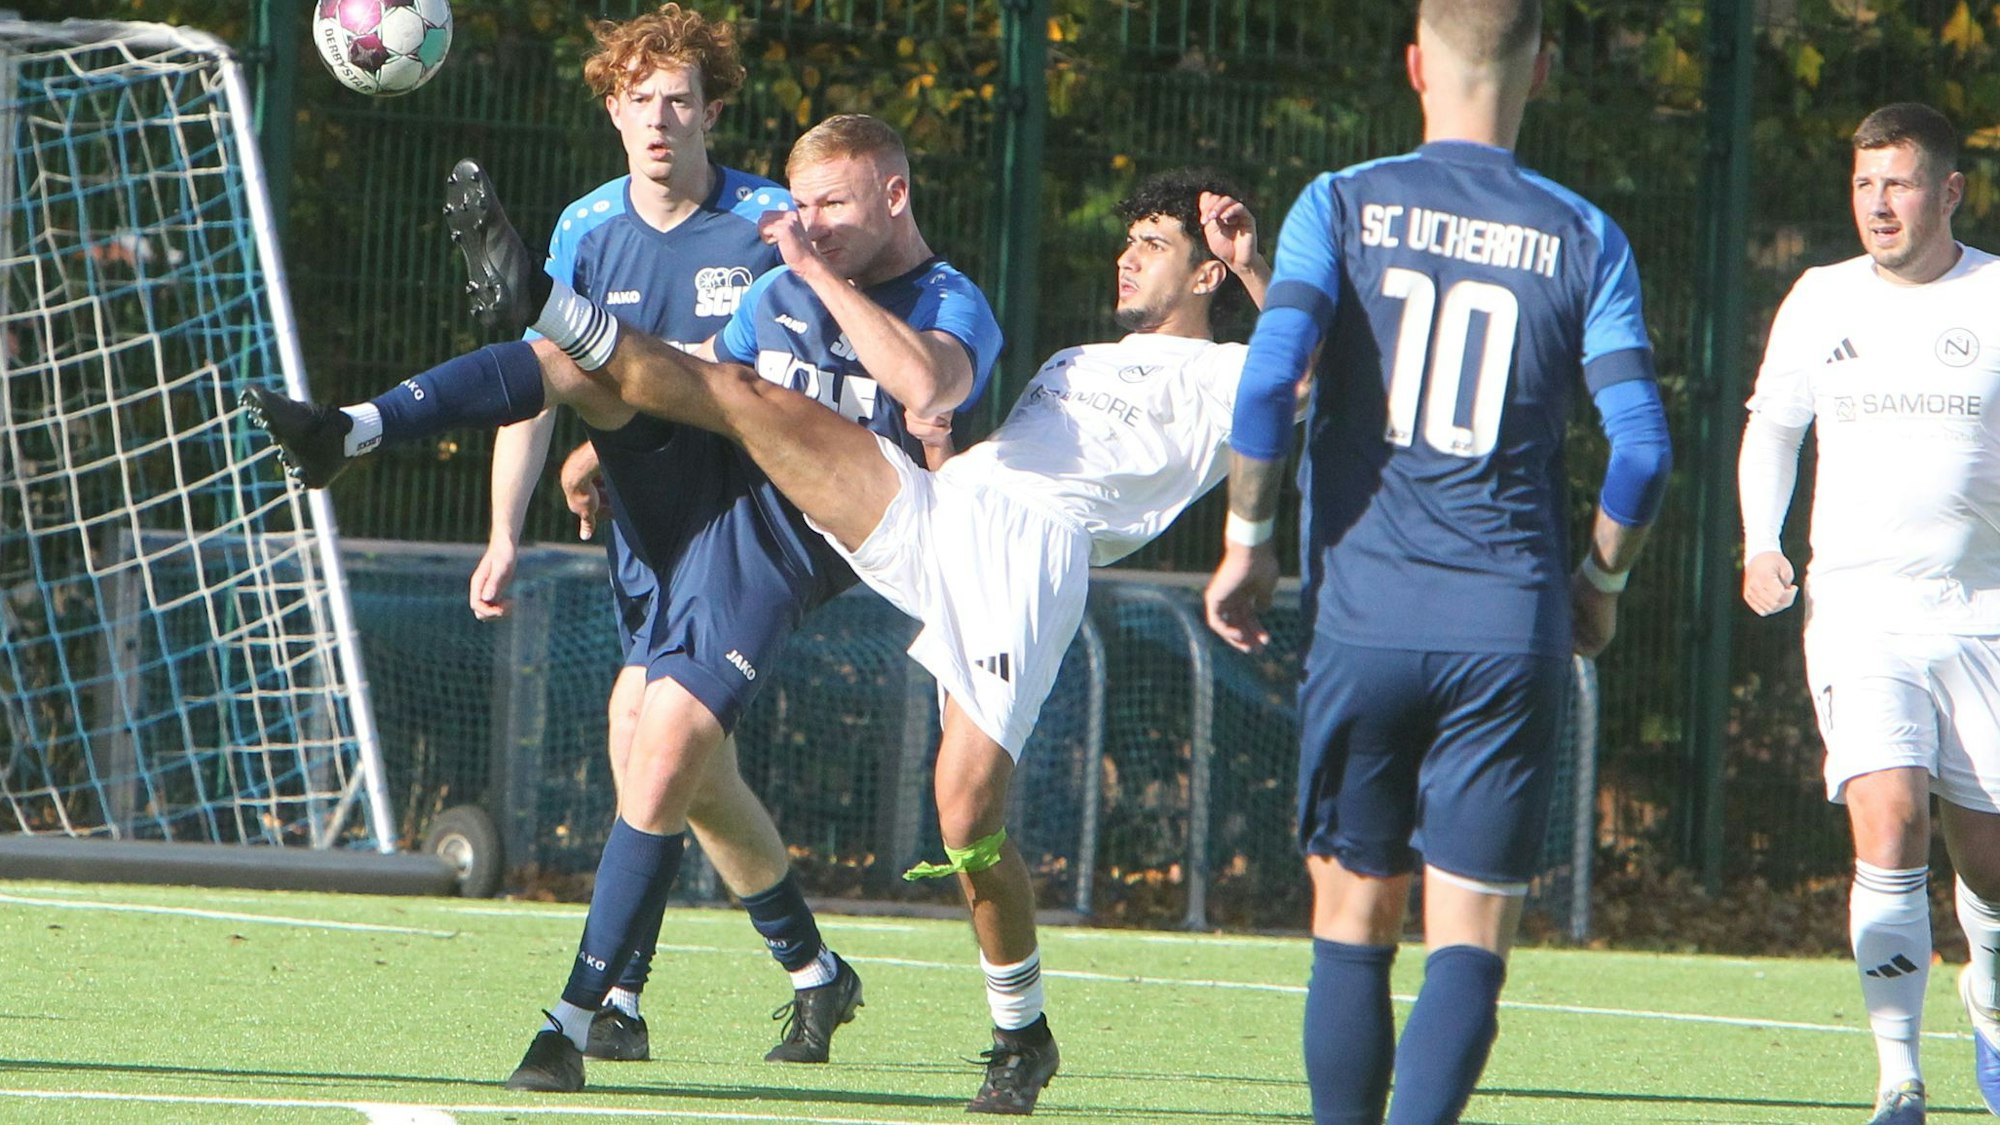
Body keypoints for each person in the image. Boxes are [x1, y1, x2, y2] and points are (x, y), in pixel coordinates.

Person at [429, 161, 1269, 1114]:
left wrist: (1255, 269)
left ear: (1205, 276)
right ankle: (553, 310)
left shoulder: (1236, 369)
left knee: (964, 818)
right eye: (1128, 242)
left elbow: (1303, 377)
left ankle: (1021, 1031)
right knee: (749, 393)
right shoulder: (1074, 359)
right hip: (942, 509)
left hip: (1026, 555)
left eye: (1154, 247)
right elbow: (947, 431)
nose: (1128, 260)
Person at [245, 112, 1001, 1092]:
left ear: (895, 197)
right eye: (798, 205)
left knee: (667, 740)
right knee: (580, 370)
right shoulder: (779, 291)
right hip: (704, 476)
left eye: (831, 207)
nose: (806, 226)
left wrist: (809, 273)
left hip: (789, 537)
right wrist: (606, 447)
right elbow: (692, 380)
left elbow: (926, 384)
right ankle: (353, 429)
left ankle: (579, 1017)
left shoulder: (946, 301)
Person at [1202, 3, 1673, 1123]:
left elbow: (1268, 384)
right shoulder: (1583, 235)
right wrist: (1596, 589)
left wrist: (1246, 546)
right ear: (1541, 71)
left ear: (1413, 65)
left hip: (1363, 616)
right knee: (1466, 946)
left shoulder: (1341, 202)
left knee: (1351, 931)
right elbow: (1643, 452)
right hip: (1506, 625)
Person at [1739, 101, 2000, 1125]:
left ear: (1946, 192)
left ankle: (1986, 995)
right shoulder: (1817, 299)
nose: (1876, 205)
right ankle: (1897, 1077)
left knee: (1985, 862)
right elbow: (1770, 431)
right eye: (1861, 185)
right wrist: (1761, 542)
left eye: (1895, 184)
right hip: (1858, 612)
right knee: (1886, 819)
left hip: (1981, 618)